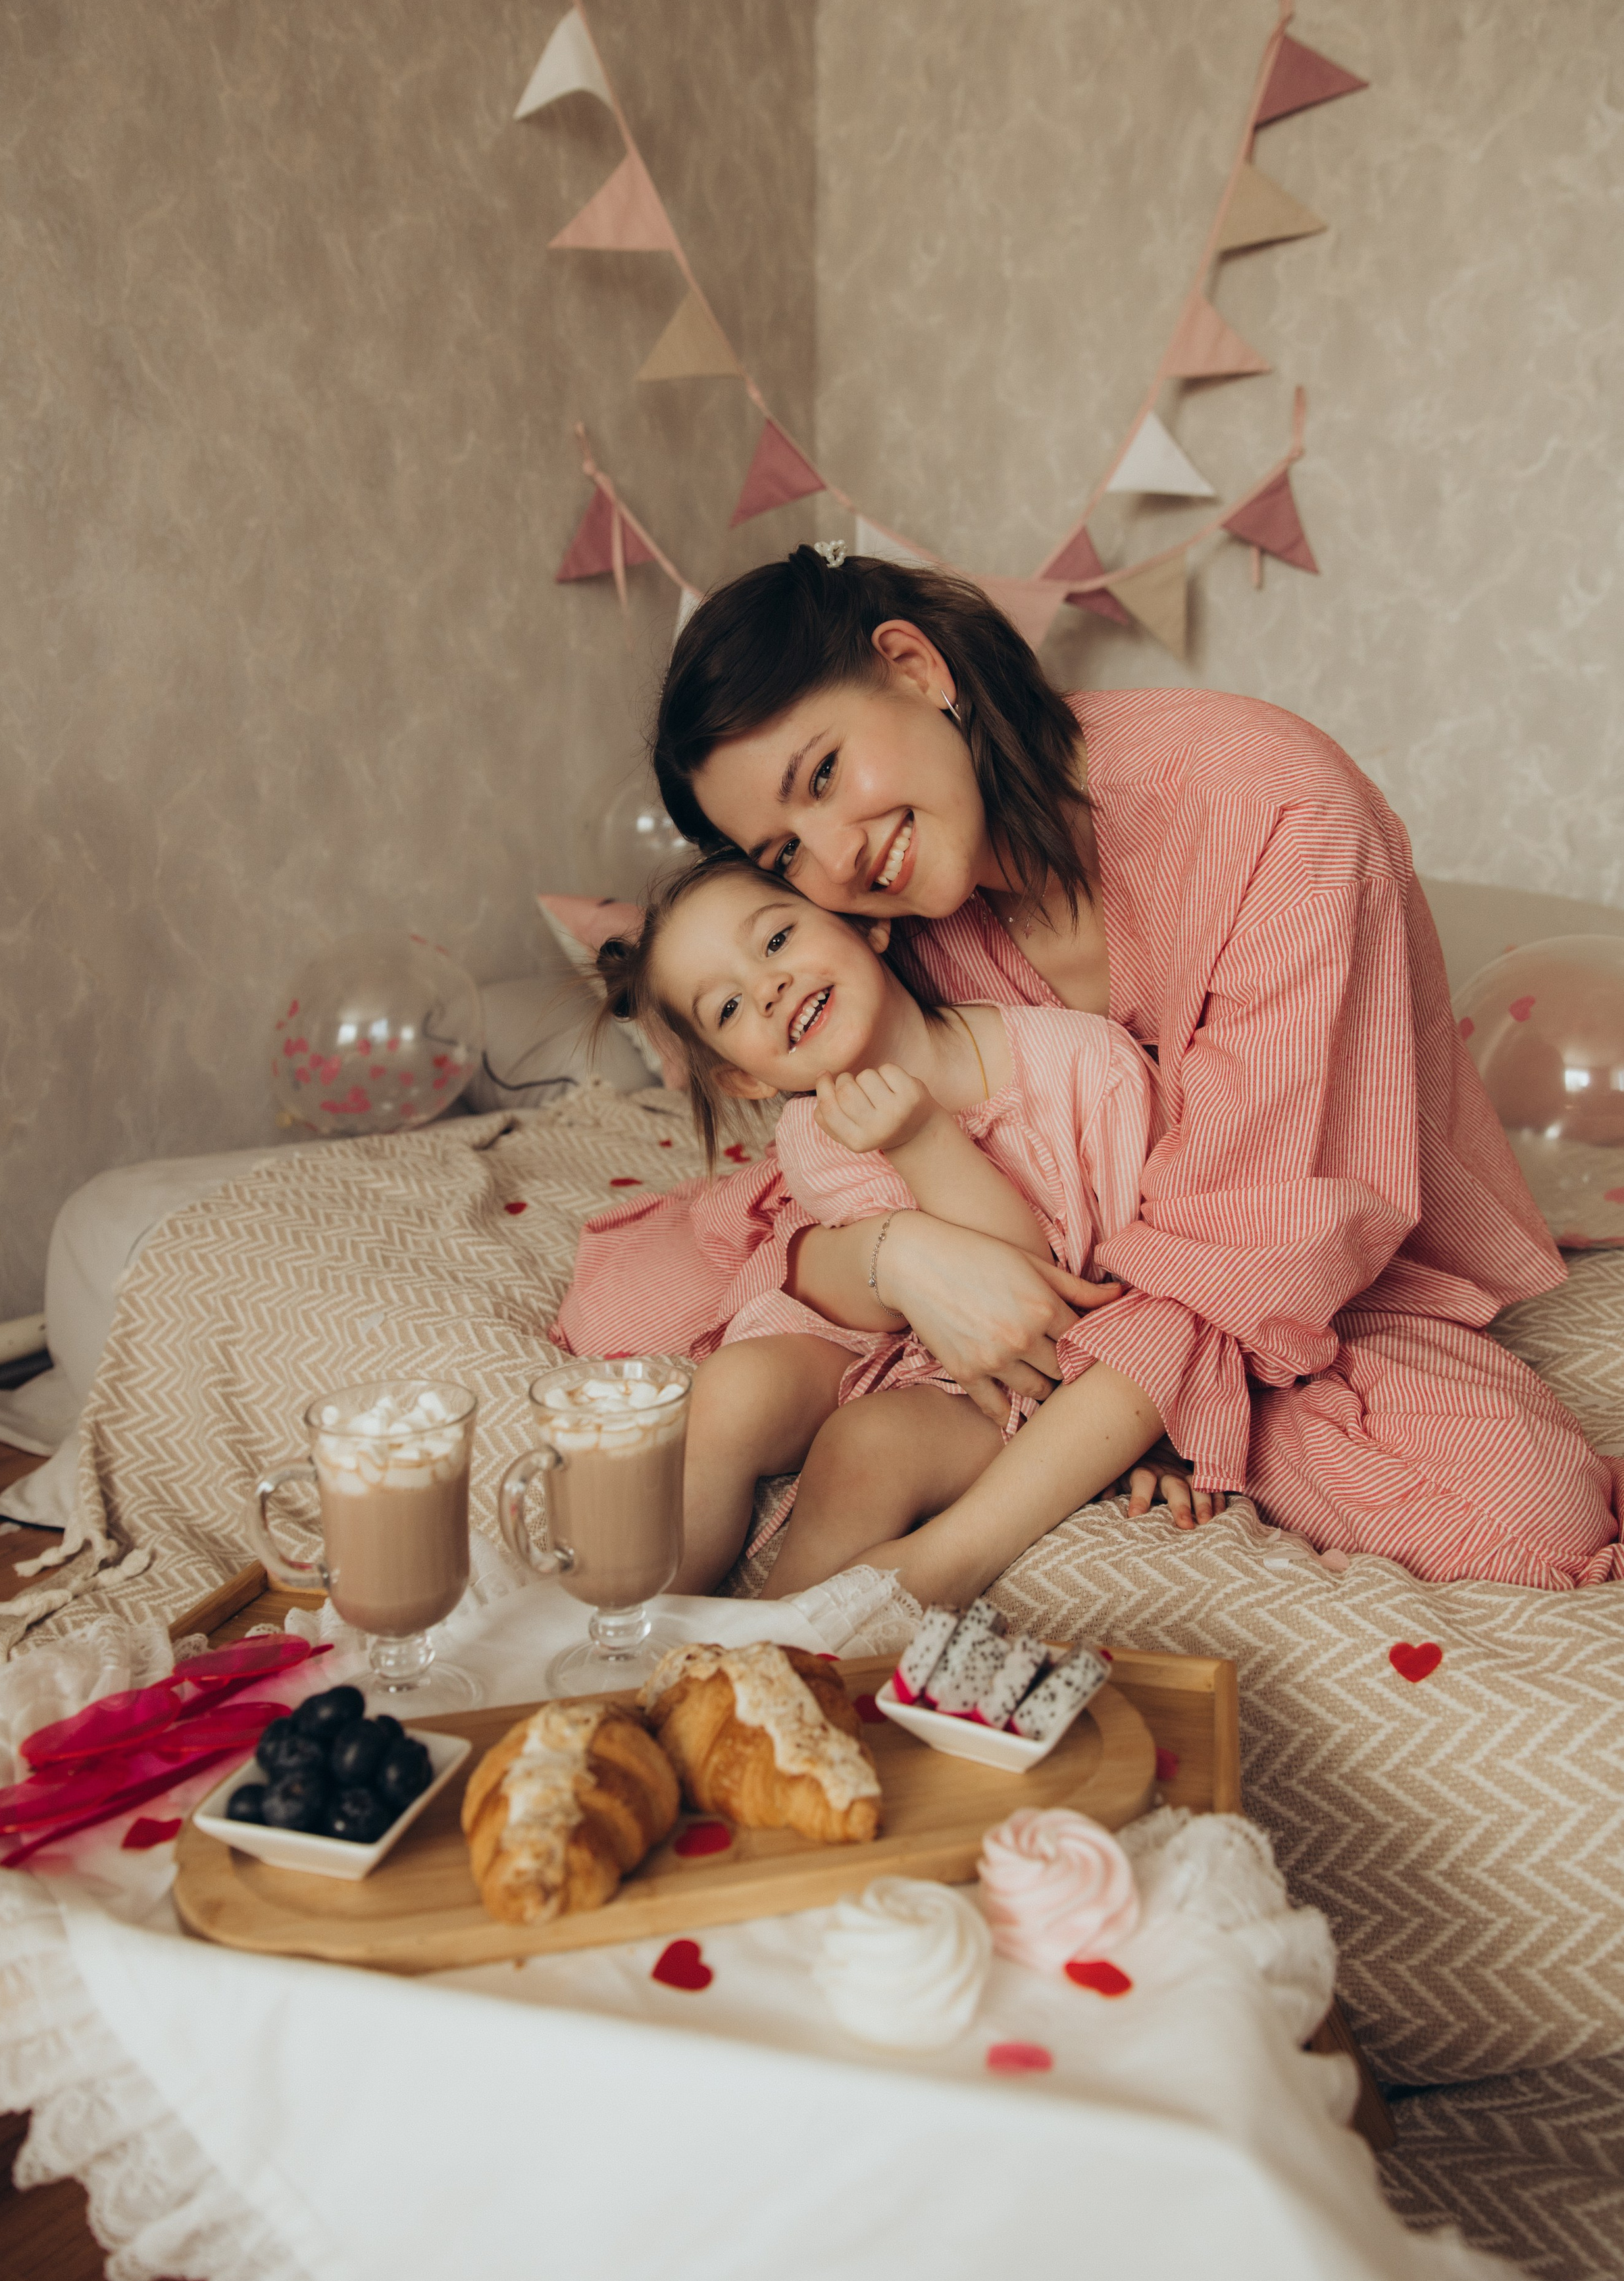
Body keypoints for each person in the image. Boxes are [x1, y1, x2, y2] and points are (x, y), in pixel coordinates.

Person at [557, 547, 1621, 1593]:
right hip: (1009, 1249)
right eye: (786, 854)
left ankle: (1103, 1420)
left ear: (917, 668)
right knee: (639, 1322)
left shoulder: (1281, 818)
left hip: (1270, 1254)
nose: (836, 861)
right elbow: (852, 1154)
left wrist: (949, 1556)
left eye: (825, 775)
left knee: (1531, 1516)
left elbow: (1234, 1263)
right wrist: (900, 1257)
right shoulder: (882, 905)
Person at [589, 844, 1187, 1601]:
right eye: (730, 1008)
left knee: (864, 1446)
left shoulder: (1081, 1062)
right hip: (907, 1341)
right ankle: (639, 1622)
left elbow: (1015, 1302)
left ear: (864, 926)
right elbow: (904, 1299)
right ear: (745, 1077)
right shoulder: (812, 1133)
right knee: (731, 1389)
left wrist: (925, 1142)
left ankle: (774, 1643)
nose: (768, 989)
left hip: (1043, 1367)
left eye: (776, 941)